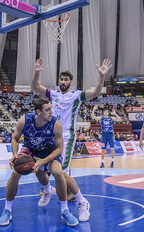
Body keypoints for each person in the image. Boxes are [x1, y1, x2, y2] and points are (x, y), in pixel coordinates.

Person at [32, 57, 111, 208]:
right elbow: (35, 86)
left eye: (66, 79)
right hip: (50, 136)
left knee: (61, 170)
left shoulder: (76, 96)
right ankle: (51, 190)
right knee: (44, 166)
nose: (63, 81)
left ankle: (72, 201)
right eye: (61, 79)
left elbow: (95, 92)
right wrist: (36, 72)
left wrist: (101, 76)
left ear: (71, 82)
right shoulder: (53, 95)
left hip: (66, 136)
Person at [0, 99, 79, 227]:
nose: (51, 112)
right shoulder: (25, 121)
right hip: (30, 149)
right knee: (15, 173)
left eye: (51, 108)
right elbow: (15, 138)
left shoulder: (55, 124)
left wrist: (43, 161)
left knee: (58, 173)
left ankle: (65, 210)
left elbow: (59, 148)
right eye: (47, 110)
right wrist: (14, 155)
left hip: (49, 150)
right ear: (38, 111)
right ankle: (7, 210)